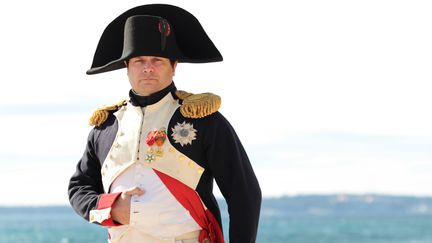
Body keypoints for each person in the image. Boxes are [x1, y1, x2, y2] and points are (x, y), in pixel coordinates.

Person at [68, 4, 261, 243]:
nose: (147, 67)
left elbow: (244, 194)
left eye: (157, 60)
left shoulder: (203, 121)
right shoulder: (105, 127)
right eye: (138, 60)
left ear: (174, 66)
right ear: (126, 67)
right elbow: (79, 188)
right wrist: (110, 207)